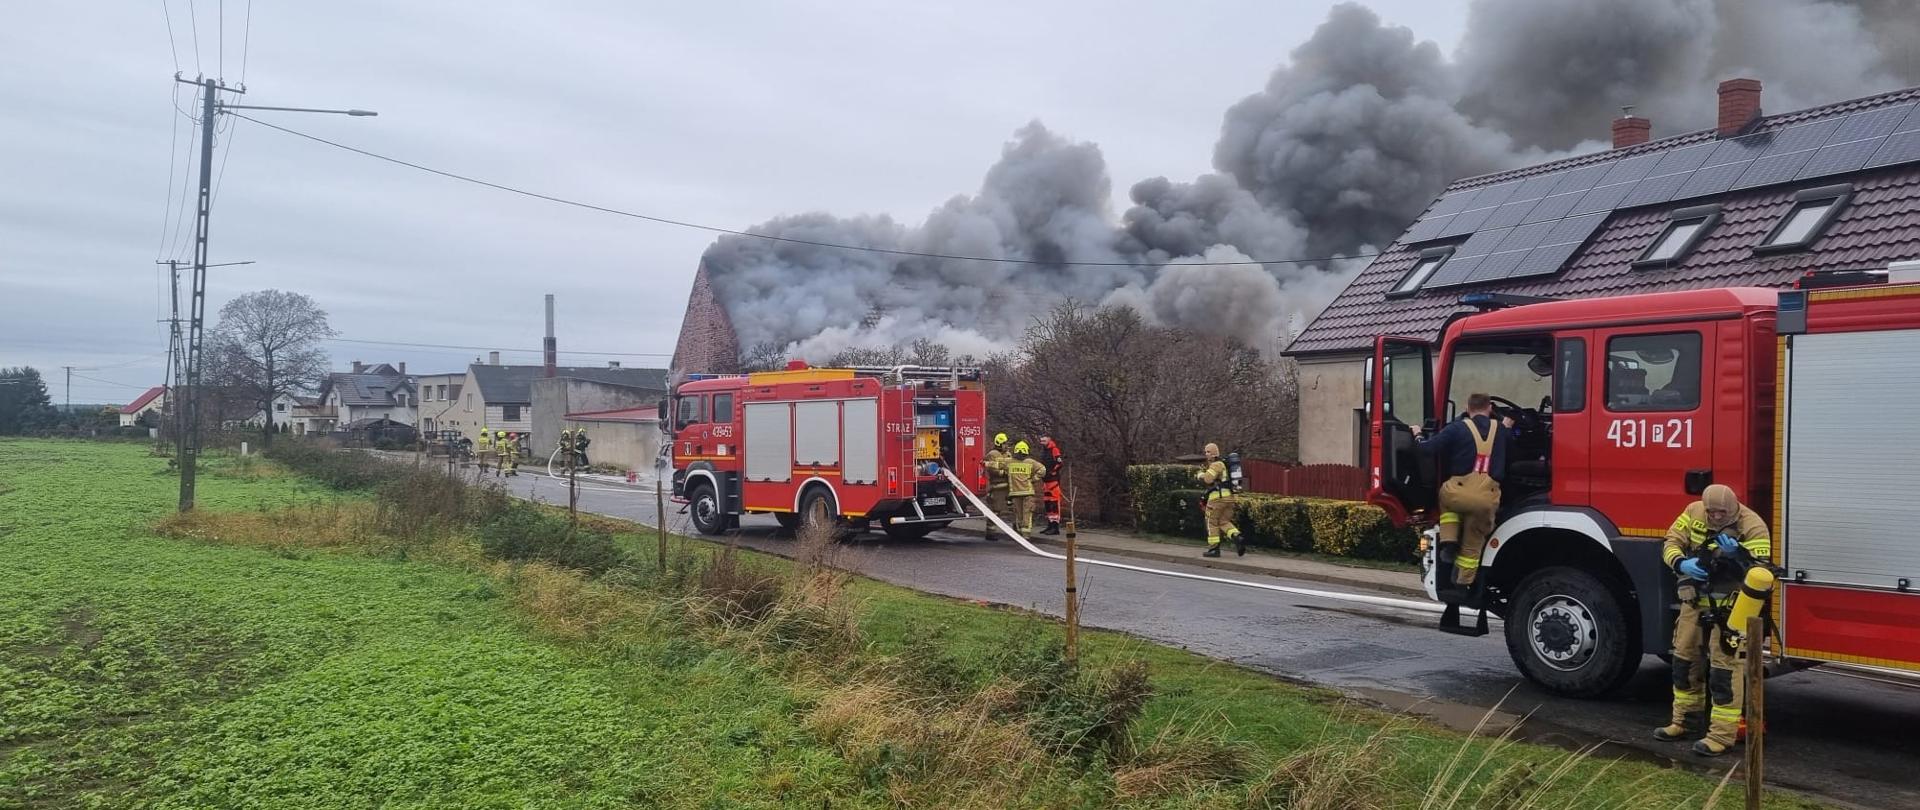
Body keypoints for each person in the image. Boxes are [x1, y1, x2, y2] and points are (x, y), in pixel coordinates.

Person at [1655, 484, 1771, 757]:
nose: (1716, 517)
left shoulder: (1752, 524)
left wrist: (1737, 556)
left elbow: (1762, 570)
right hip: (1694, 601)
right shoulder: (1694, 512)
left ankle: (1721, 735)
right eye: (1712, 512)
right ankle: (1685, 722)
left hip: (1731, 609)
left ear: (1734, 507)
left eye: (1722, 513)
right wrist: (1681, 563)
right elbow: (1671, 542)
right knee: (1683, 661)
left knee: (1724, 670)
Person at [1410, 393, 1509, 588]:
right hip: (1486, 500)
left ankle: (1448, 541)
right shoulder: (1503, 431)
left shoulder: (1456, 428)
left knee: (1447, 497)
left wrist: (1417, 434)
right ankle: (1463, 584)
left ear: (1467, 408)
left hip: (1458, 494)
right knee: (1474, 541)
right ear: (1490, 408)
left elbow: (1427, 450)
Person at [1196, 442, 1244, 558]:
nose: (1206, 454)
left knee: (1210, 522)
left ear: (1214, 454)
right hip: (1230, 498)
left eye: (1208, 452)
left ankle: (1214, 549)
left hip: (1218, 499)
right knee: (1223, 521)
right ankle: (1237, 536)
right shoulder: (1224, 464)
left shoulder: (1216, 465)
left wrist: (1200, 475)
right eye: (1206, 452)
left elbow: (1208, 479)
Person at [1004, 441, 1040, 536]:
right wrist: (1034, 479)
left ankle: (1020, 532)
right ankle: (1026, 534)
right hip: (1028, 492)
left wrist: (985, 463)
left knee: (1019, 513)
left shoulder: (1009, 462)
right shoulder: (1030, 462)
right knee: (1027, 513)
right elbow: (1042, 470)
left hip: (1016, 493)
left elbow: (997, 464)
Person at [983, 432, 1013, 539]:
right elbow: (991, 469)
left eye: (1006, 443)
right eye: (1004, 443)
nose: (1006, 445)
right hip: (997, 486)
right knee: (995, 510)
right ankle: (990, 533)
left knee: (1015, 509)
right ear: (998, 443)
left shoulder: (1008, 454)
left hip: (1009, 487)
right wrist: (1003, 472)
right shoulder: (992, 454)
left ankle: (1017, 532)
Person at [1036, 435, 1065, 535]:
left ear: (1049, 440)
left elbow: (1060, 463)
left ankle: (1055, 527)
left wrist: (1053, 472)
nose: (1042, 442)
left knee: (1054, 504)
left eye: (1044, 441)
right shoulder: (1044, 451)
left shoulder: (1054, 450)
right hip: (1046, 481)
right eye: (1041, 441)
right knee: (1047, 504)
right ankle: (1050, 525)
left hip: (1053, 481)